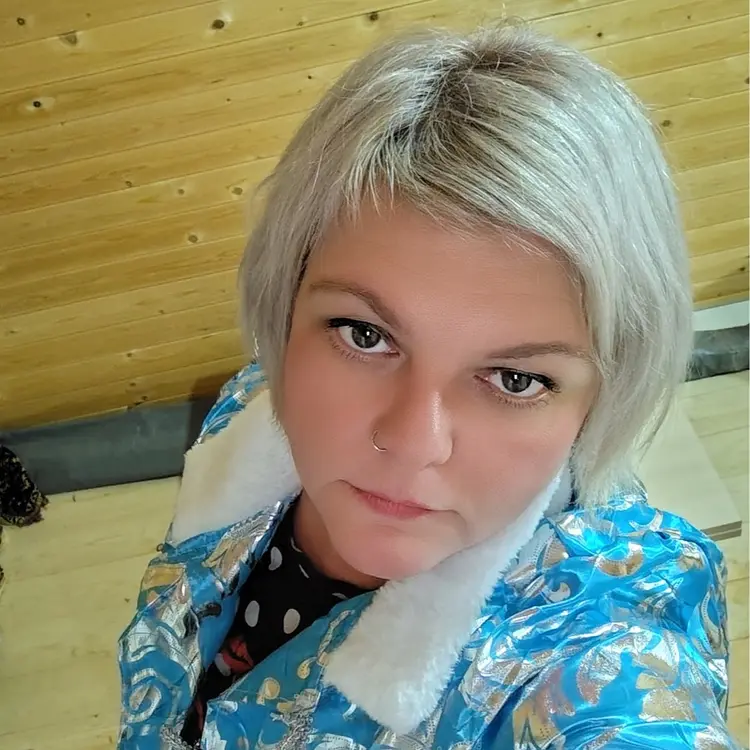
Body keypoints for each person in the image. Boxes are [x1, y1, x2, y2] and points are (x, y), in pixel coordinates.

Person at [117, 21, 738, 749]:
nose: (413, 443)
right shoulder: (247, 414)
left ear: (603, 393)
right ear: (286, 305)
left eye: (515, 379)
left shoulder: (596, 648)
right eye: (364, 335)